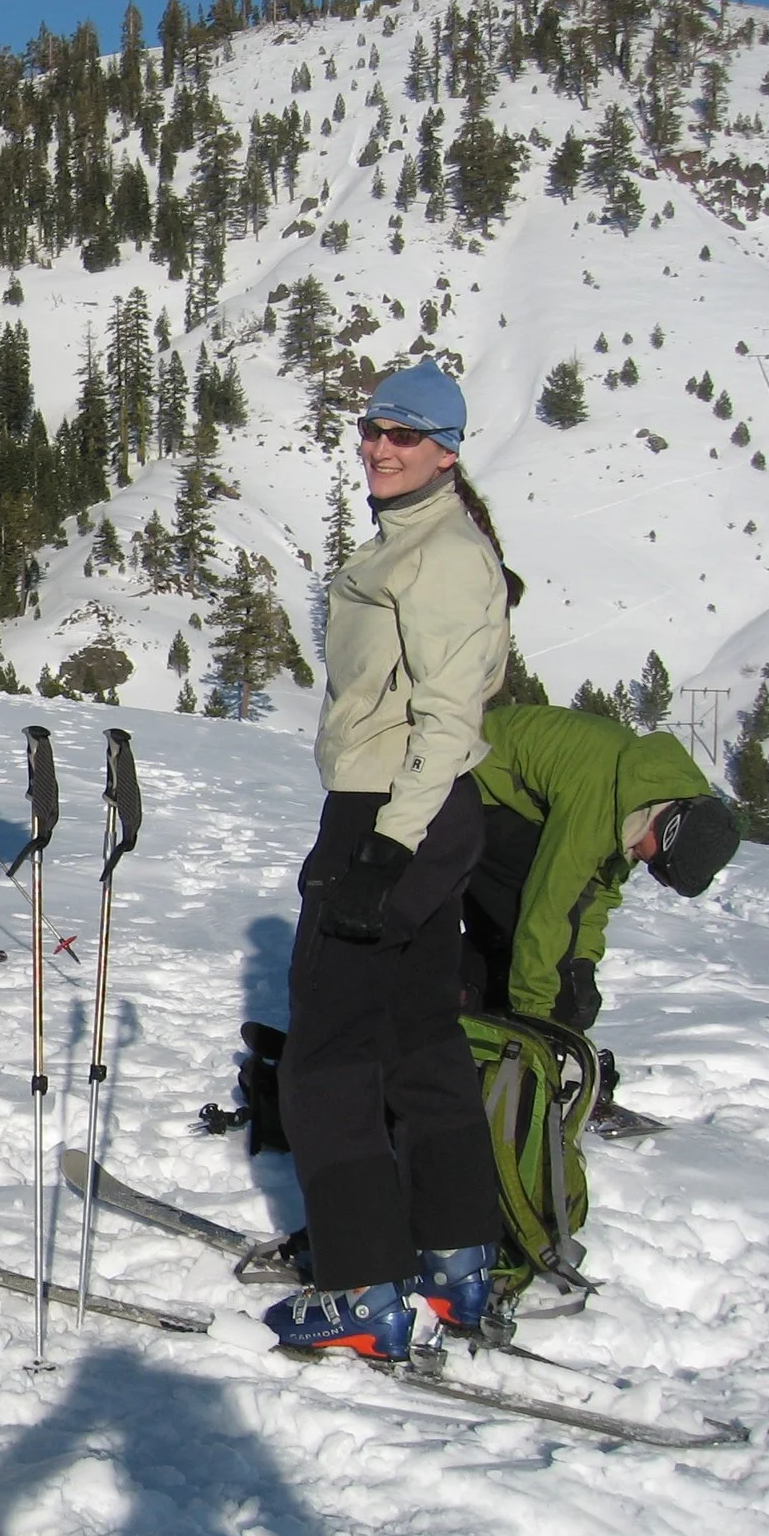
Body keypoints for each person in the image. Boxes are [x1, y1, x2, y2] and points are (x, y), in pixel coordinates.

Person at [267, 361, 512, 1360]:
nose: (377, 447)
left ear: (445, 450)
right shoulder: (411, 542)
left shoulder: (444, 557)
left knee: (324, 1056)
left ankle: (363, 1287)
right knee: (417, 1038)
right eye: (371, 429)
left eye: (402, 436)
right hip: (410, 813)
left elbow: (447, 721)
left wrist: (386, 849)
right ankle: (456, 1260)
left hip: (394, 813)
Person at [463, 703, 739, 1034]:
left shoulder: (649, 799)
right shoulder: (603, 800)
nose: (649, 868)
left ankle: (467, 1015)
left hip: (515, 800)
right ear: (668, 831)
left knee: (540, 953)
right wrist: (534, 1015)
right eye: (659, 868)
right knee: (524, 918)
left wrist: (583, 963)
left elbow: (599, 888)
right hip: (473, 775)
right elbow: (547, 904)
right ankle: (488, 1027)